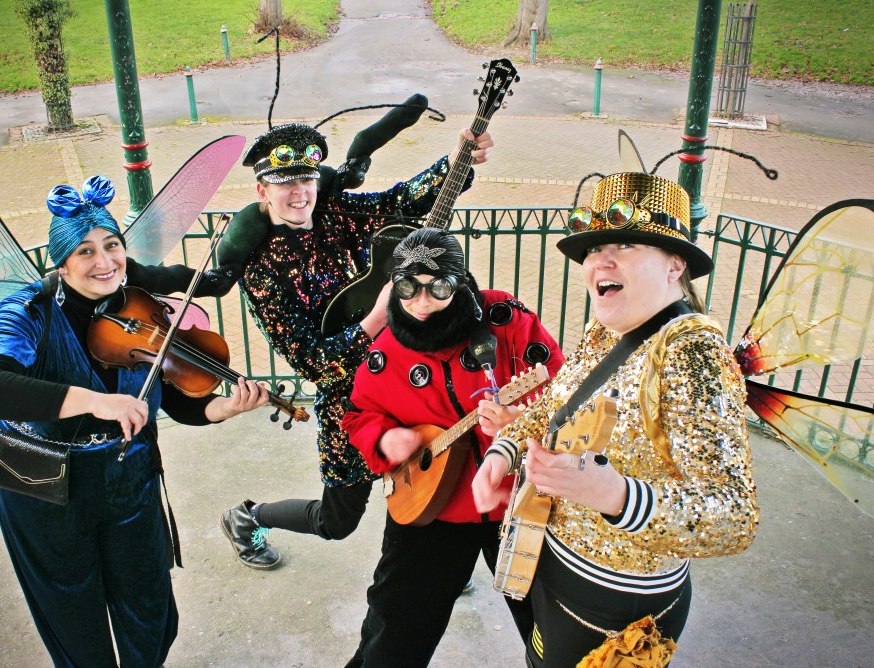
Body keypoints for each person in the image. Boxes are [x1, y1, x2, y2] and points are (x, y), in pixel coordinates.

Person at [0, 175, 268, 667]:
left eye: (112, 245)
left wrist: (226, 406)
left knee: (150, 606)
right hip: (43, 482)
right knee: (72, 611)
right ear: (62, 264)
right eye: (85, 252)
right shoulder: (27, 311)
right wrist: (95, 401)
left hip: (126, 473)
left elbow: (179, 402)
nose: (104, 262)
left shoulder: (140, 309)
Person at [472, 172, 760, 667]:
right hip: (550, 559)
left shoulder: (692, 353)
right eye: (593, 249)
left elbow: (733, 516)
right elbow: (554, 407)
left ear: (675, 266)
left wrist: (617, 496)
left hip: (617, 604)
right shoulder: (603, 331)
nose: (599, 262)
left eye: (625, 244)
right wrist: (504, 449)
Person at [219, 123, 494, 569]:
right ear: (262, 190)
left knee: (434, 471)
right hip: (352, 401)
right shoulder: (261, 269)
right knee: (336, 522)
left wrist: (456, 160)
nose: (298, 193)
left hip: (405, 373)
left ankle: (427, 568)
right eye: (283, 182)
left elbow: (397, 202)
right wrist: (375, 319)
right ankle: (248, 517)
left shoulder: (333, 212)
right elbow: (314, 363)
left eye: (306, 179)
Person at [341, 227, 565, 667]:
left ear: (460, 281)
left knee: (558, 633)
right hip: (432, 510)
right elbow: (358, 415)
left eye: (438, 286)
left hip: (520, 501)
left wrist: (521, 423)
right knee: (392, 633)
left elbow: (564, 390)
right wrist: (386, 439)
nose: (421, 302)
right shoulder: (385, 350)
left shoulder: (505, 319)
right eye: (408, 287)